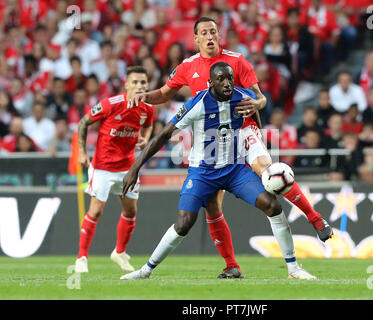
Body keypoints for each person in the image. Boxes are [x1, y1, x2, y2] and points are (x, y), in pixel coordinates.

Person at [128, 17, 332, 279]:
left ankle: (314, 219)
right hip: (211, 141)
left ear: (219, 35)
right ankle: (231, 265)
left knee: (270, 174)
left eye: (214, 31)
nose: (210, 35)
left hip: (243, 128)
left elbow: (259, 98)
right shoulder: (188, 67)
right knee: (212, 208)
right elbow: (165, 94)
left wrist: (258, 107)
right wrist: (145, 97)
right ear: (197, 39)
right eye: (204, 32)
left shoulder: (237, 60)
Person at [74, 66, 154, 273]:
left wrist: (145, 138)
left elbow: (148, 125)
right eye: (135, 82)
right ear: (126, 85)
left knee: (130, 210)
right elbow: (83, 123)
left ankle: (119, 252)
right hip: (103, 167)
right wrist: (82, 152)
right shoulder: (111, 104)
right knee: (97, 209)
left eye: (143, 83)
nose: (139, 86)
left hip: (128, 168)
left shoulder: (148, 108)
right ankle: (82, 257)